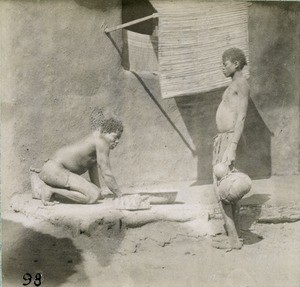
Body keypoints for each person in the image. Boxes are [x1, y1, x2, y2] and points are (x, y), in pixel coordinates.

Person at [36, 108, 123, 205]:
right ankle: (51, 190)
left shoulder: (96, 140)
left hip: (52, 170)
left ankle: (51, 189)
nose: (117, 141)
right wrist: (120, 195)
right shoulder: (102, 142)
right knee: (93, 196)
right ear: (105, 131)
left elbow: (93, 168)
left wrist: (98, 190)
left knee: (95, 191)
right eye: (115, 137)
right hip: (55, 170)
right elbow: (106, 173)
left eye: (119, 138)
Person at [212, 47, 250, 250]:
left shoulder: (242, 84)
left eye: (225, 64)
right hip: (223, 140)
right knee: (227, 188)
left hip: (229, 141)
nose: (222, 68)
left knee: (225, 189)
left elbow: (242, 116)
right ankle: (234, 235)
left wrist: (232, 146)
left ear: (236, 64)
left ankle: (233, 239)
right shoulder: (233, 84)